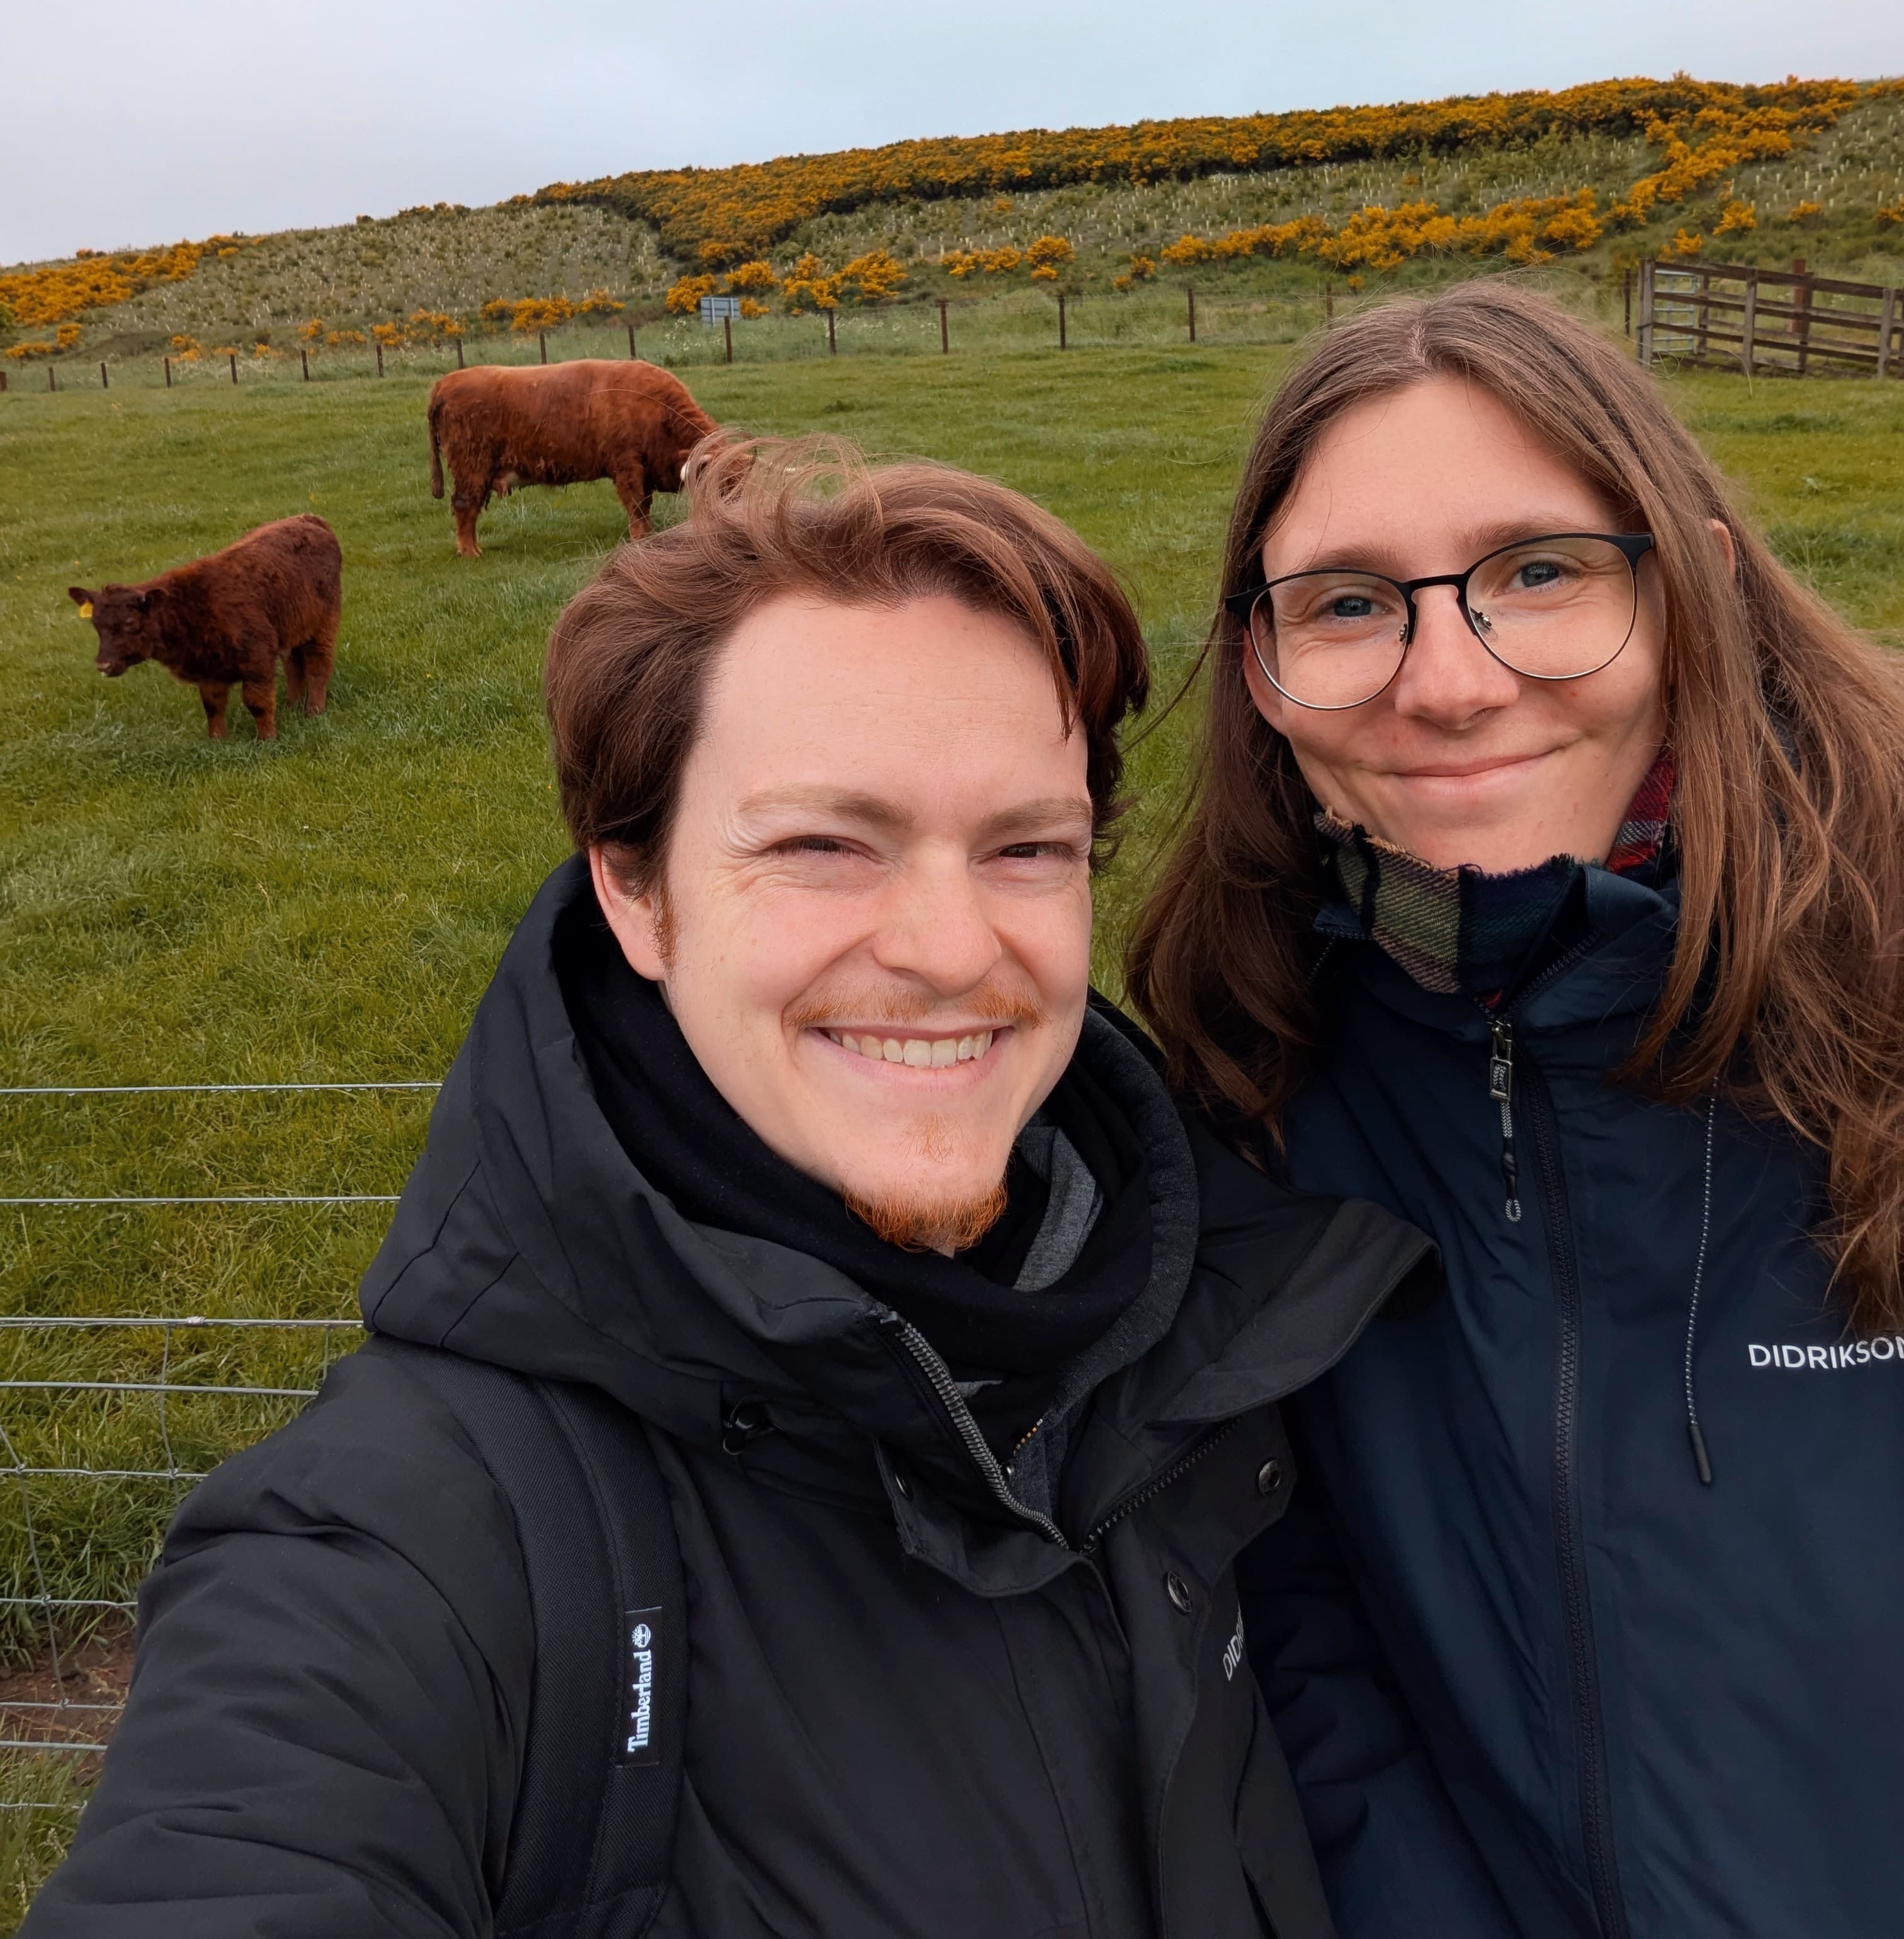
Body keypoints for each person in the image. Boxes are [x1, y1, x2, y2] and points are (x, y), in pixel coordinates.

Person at [26, 438, 1428, 1939]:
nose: (952, 949)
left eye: (1028, 847)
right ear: (633, 890)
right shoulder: (405, 1549)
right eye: (824, 843)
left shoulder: (1214, 1343)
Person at [1128, 279, 1904, 1939]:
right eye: (1349, 603)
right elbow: (1289, 1612)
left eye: (1540, 572)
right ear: (1262, 667)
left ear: (1693, 589)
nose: (1449, 684)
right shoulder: (1237, 1072)